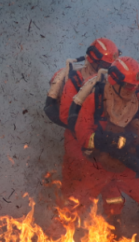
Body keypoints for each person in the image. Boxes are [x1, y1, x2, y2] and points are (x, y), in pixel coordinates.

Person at [72, 57, 139, 236]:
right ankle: (55, 241)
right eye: (128, 86)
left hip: (128, 161)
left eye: (135, 86)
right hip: (97, 164)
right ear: (115, 81)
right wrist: (103, 141)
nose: (132, 90)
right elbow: (82, 132)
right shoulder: (95, 99)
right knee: (74, 204)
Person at [45, 38, 122, 211]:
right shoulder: (75, 80)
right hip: (77, 140)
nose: (107, 69)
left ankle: (114, 224)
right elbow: (66, 116)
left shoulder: (112, 80)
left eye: (111, 65)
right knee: (78, 185)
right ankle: (67, 224)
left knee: (112, 186)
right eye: (104, 64)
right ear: (91, 59)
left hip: (105, 140)